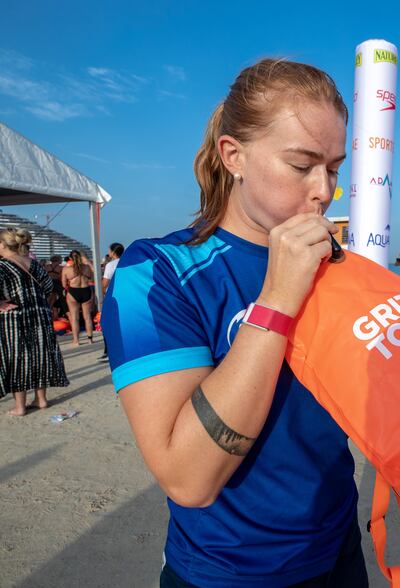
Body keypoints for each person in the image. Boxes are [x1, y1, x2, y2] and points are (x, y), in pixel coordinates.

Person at [101, 58, 367, 587]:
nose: (324, 191)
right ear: (234, 155)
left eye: (334, 168)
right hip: (227, 570)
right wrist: (277, 298)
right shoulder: (154, 273)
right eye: (301, 165)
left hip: (338, 547)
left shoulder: (334, 264)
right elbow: (188, 478)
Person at [0, 228, 69, 416]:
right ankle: (41, 399)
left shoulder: (2, 266)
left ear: (3, 245)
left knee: (17, 358)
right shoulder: (34, 264)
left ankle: (20, 406)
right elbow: (48, 287)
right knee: (41, 354)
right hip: (40, 314)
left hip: (14, 317)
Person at [61, 250, 94, 346]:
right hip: (86, 290)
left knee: (75, 318)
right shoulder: (87, 268)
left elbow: (63, 284)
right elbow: (91, 279)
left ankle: (76, 340)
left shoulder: (66, 269)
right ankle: (90, 339)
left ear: (70, 258)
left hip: (73, 292)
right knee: (87, 317)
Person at [98, 243, 124, 362]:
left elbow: (105, 283)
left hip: (113, 296)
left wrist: (102, 295)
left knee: (108, 323)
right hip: (125, 295)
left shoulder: (111, 265)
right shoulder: (128, 261)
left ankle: (108, 351)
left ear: (113, 252)